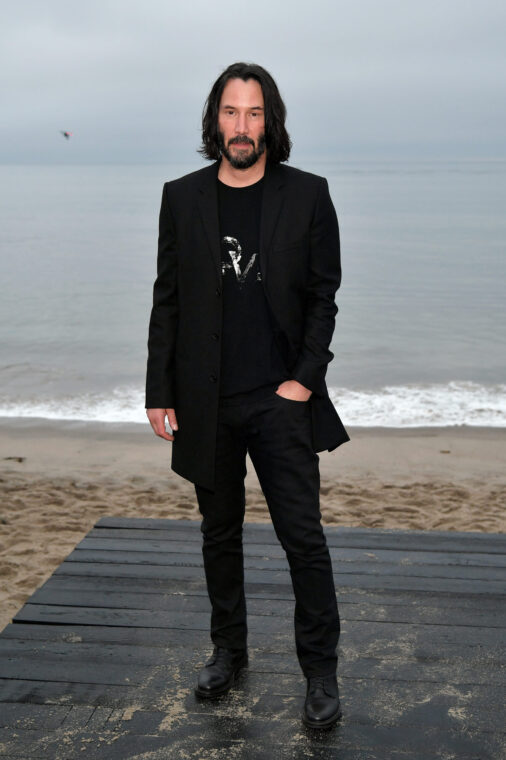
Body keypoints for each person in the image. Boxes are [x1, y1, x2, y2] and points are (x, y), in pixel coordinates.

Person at [145, 62, 349, 729]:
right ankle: (228, 651)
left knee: (303, 538)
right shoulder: (181, 197)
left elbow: (324, 297)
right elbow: (167, 299)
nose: (242, 126)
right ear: (215, 121)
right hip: (207, 401)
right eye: (231, 112)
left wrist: (303, 380)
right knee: (218, 533)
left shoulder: (309, 195)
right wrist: (159, 390)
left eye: (254, 113)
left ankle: (320, 672)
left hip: (279, 401)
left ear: (272, 122)